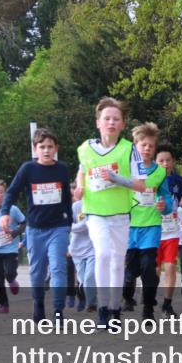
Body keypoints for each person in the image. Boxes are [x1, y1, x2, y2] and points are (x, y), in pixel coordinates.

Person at [73, 97, 143, 326]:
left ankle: (114, 308)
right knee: (102, 254)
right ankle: (103, 308)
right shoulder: (85, 148)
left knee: (116, 261)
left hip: (121, 214)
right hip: (95, 213)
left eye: (116, 119)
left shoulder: (129, 150)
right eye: (107, 119)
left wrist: (116, 178)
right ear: (98, 123)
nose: (111, 123)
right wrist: (80, 186)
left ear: (122, 125)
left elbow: (140, 184)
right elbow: (82, 171)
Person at [1, 127, 74, 321]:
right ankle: (39, 305)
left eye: (50, 146)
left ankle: (58, 312)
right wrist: (5, 213)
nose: (47, 150)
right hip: (35, 229)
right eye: (42, 147)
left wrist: (69, 224)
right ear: (35, 149)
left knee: (58, 268)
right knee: (37, 272)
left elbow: (67, 197)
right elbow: (12, 192)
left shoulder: (62, 169)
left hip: (58, 227)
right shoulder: (28, 169)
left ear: (56, 148)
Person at [121, 122, 169, 320]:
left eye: (151, 145)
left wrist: (164, 205)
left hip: (151, 226)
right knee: (130, 270)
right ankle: (127, 296)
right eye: (144, 145)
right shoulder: (126, 169)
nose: (147, 149)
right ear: (136, 145)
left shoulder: (159, 173)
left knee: (149, 268)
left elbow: (167, 198)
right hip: (129, 226)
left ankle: (148, 308)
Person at [0, 179, 24, 314]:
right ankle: (3, 303)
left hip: (11, 249)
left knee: (9, 273)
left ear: (6, 194)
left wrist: (15, 233)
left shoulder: (12, 209)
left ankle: (12, 280)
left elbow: (24, 223)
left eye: (0, 192)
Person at [155, 145, 182, 317]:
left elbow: (181, 204)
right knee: (154, 270)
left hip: (172, 231)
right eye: (161, 161)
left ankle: (167, 303)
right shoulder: (148, 179)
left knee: (171, 266)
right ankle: (150, 299)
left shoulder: (178, 182)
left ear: (172, 162)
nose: (165, 164)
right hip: (153, 230)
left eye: (168, 160)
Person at [69, 188, 96, 313]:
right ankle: (88, 300)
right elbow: (67, 225)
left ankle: (92, 303)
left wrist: (73, 227)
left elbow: (87, 224)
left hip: (93, 248)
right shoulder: (75, 206)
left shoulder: (96, 205)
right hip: (77, 249)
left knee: (90, 277)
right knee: (83, 280)